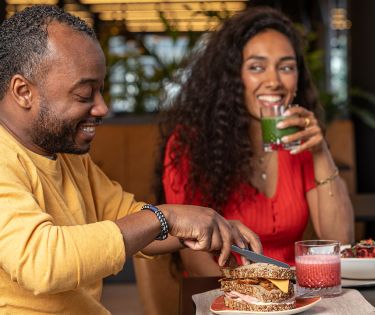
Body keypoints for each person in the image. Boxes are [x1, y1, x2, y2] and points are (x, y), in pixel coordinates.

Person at [0, 5, 262, 314]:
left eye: (101, 91)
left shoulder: (63, 153)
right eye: (85, 95)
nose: (101, 108)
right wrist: (167, 217)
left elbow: (131, 219)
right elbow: (42, 260)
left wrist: (205, 226)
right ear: (23, 91)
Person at [156, 6, 355, 276]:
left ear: (297, 79)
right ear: (233, 77)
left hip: (293, 295)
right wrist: (251, 297)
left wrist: (321, 152)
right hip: (224, 295)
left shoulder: (299, 143)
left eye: (286, 67)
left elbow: (340, 241)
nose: (273, 81)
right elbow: (194, 260)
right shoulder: (191, 144)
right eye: (257, 67)